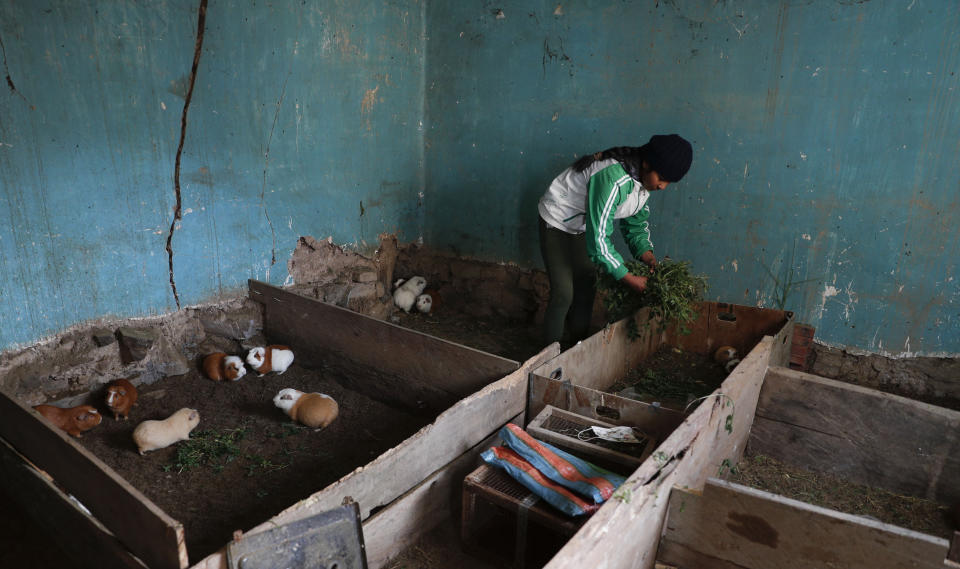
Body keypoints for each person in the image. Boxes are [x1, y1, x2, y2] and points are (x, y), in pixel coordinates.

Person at [537, 133, 693, 347]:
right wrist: (628, 278)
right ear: (647, 164)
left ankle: (575, 348)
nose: (663, 186)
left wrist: (649, 259)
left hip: (584, 225)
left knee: (586, 286)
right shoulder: (612, 178)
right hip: (557, 219)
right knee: (564, 292)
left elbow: (635, 225)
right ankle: (546, 356)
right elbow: (598, 241)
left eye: (669, 182)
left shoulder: (643, 185)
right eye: (662, 178)